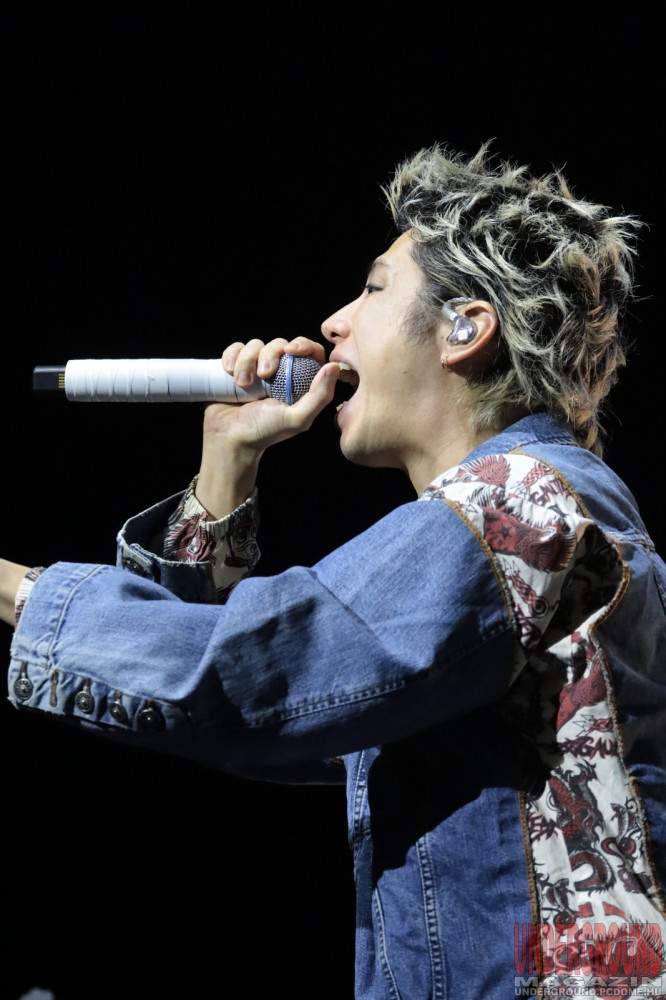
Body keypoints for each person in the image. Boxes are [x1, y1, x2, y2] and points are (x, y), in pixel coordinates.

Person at [2, 143, 666, 998]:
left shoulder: (523, 501)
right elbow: (238, 706)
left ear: (466, 328)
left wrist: (15, 588)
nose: (333, 323)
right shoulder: (524, 511)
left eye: (374, 290)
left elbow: (260, 677)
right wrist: (227, 462)